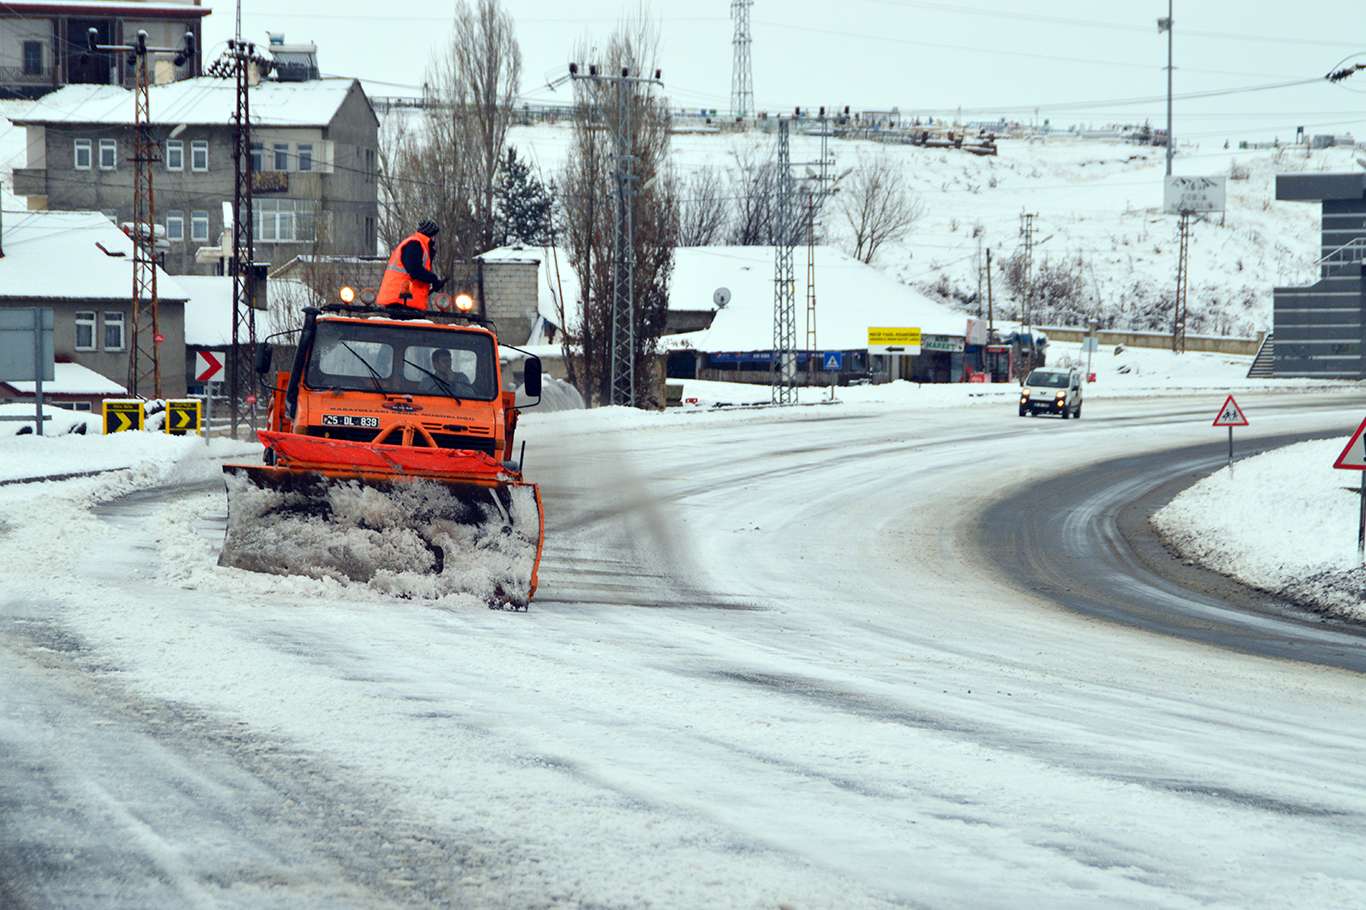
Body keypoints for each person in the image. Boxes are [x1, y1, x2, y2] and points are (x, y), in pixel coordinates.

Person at [377, 219, 446, 310]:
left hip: (403, 300)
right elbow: (415, 270)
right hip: (403, 300)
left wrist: (433, 281)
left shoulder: (416, 244)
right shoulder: (415, 244)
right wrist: (433, 279)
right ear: (431, 234)